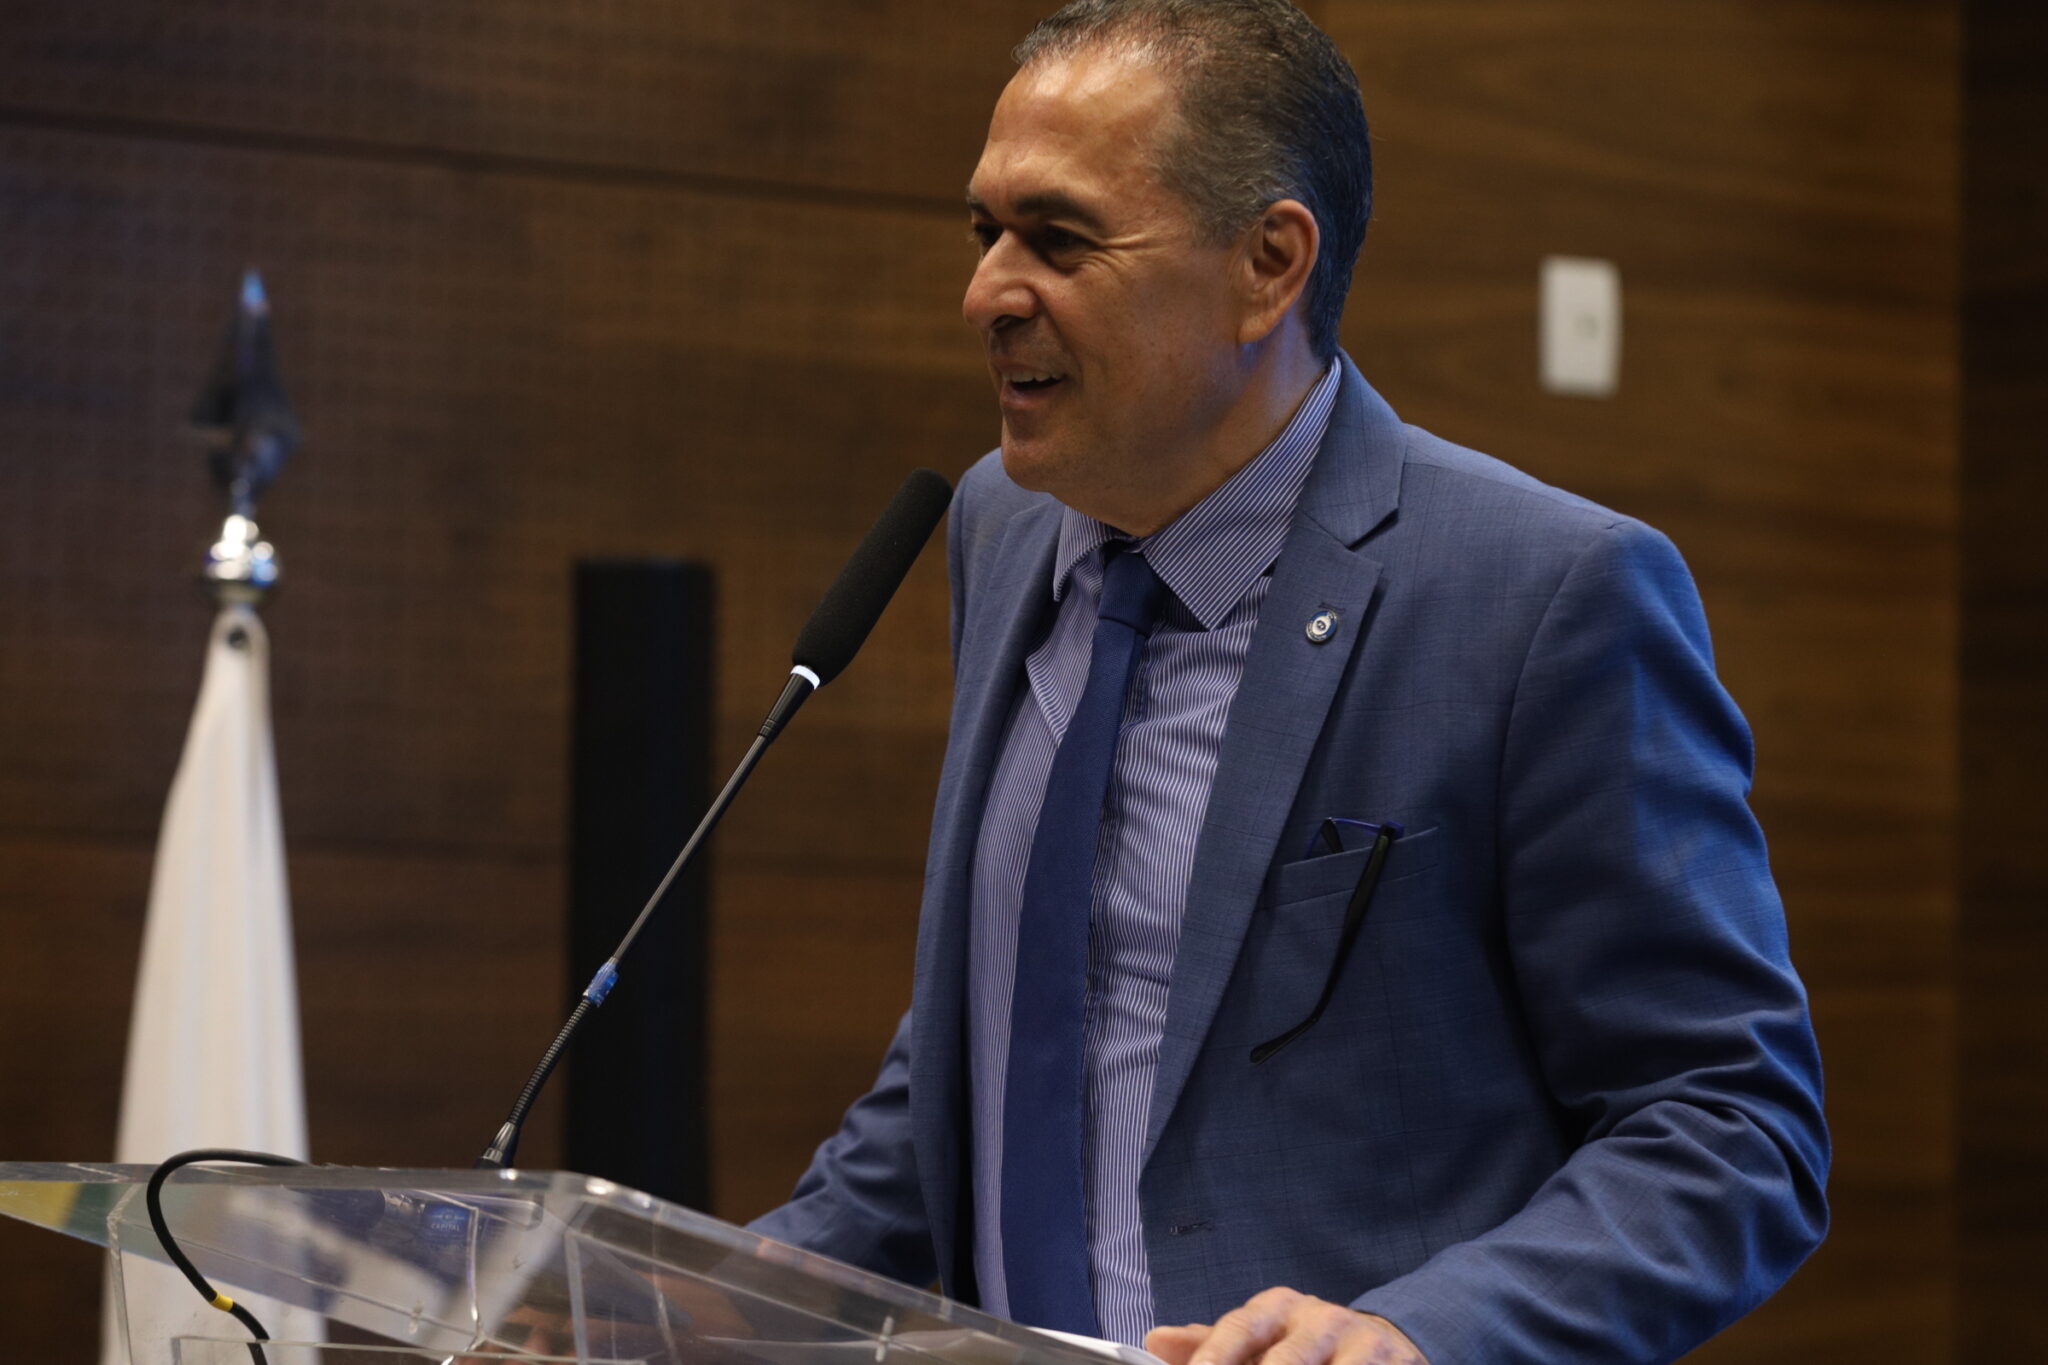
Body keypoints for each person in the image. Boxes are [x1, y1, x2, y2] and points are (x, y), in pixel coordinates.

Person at [752, 3, 1829, 1363]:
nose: (988, 295)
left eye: (1059, 239)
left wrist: (1415, 1334)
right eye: (985, 234)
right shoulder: (1002, 526)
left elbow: (1733, 1126)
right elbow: (1016, 1025)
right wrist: (713, 1297)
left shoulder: (1542, 594)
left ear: (1268, 265)